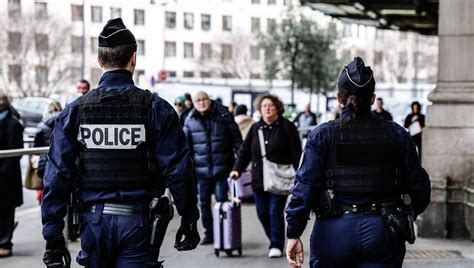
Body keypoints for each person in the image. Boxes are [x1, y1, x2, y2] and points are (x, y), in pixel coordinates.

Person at [41, 18, 200, 268]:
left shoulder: (75, 112)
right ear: (133, 58)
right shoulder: (156, 109)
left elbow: (56, 175)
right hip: (138, 224)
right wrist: (189, 218)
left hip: (93, 224)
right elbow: (178, 170)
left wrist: (53, 238)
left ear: (99, 60)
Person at [285, 57, 431, 268]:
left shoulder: (323, 135)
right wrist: (403, 213)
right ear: (372, 99)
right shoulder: (397, 134)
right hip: (383, 230)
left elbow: (304, 187)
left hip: (333, 231)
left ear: (338, 98)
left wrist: (294, 232)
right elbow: (420, 189)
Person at [230, 94, 302, 258]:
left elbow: (296, 153)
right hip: (259, 179)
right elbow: (244, 152)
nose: (267, 108)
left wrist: (301, 175)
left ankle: (276, 244)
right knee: (262, 212)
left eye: (270, 105)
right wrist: (237, 169)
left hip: (279, 179)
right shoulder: (255, 128)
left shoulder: (287, 127)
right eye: (264, 106)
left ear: (277, 108)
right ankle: (274, 240)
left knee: (274, 211)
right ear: (259, 109)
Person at [183, 91, 243, 245]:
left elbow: (237, 139)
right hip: (201, 171)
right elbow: (185, 148)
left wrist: (240, 163)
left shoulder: (223, 115)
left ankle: (223, 231)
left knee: (221, 200)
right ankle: (209, 233)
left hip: (222, 168)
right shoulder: (190, 120)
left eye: (204, 99)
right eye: (198, 101)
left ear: (209, 100)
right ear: (194, 104)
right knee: (203, 203)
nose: (201, 103)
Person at [0, 93, 23, 258]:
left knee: (6, 211)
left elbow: (15, 153)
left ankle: (4, 243)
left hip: (6, 176)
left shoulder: (12, 123)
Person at [33, 101, 62, 203]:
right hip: (61, 162)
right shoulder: (65, 122)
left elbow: (35, 148)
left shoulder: (41, 125)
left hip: (44, 163)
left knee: (46, 188)